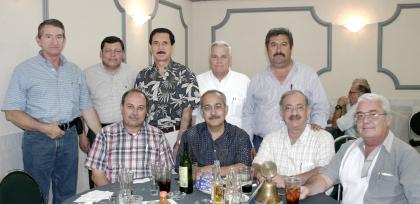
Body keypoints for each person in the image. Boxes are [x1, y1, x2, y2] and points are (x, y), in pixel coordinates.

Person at [1, 19, 101, 204]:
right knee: (38, 193)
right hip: (38, 140)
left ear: (64, 40)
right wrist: (45, 128)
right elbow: (11, 112)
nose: (54, 41)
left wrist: (103, 137)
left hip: (70, 137)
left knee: (67, 193)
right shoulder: (24, 70)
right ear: (39, 40)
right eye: (48, 36)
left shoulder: (74, 70)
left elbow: (86, 107)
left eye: (59, 36)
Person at [301, 93, 420, 203]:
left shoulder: (407, 156)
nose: (365, 120)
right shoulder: (347, 149)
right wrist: (307, 189)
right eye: (360, 115)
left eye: (373, 114)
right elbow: (325, 179)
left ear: (388, 119)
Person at [242, 27, 330, 152]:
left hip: (301, 144)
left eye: (283, 44)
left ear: (290, 48)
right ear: (267, 49)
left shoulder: (308, 74)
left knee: (302, 173)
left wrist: (317, 126)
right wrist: (248, 143)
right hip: (263, 145)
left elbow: (321, 105)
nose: (278, 50)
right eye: (273, 45)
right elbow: (248, 113)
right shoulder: (257, 78)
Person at [85, 89, 174, 186]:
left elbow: (166, 172)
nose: (135, 112)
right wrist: (116, 196)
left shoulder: (158, 136)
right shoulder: (105, 134)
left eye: (140, 108)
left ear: (146, 112)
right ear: (122, 108)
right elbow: (97, 175)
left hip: (149, 196)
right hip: (115, 196)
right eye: (130, 106)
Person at [134, 28, 200, 156]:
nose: (160, 47)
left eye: (165, 43)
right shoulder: (142, 75)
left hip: (175, 135)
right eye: (156, 43)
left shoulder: (185, 73)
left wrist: (180, 141)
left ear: (172, 46)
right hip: (148, 137)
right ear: (150, 47)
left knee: (178, 175)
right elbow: (138, 109)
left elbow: (188, 111)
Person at [84, 36, 138, 188]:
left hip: (127, 131)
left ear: (123, 54)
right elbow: (82, 107)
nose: (112, 55)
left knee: (124, 171)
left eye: (117, 51)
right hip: (97, 131)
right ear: (101, 53)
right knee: (97, 174)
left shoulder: (134, 73)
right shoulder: (87, 74)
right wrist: (82, 135)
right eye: (108, 51)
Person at [252, 90, 334, 187]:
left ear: (308, 112)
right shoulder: (271, 139)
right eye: (288, 108)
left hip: (313, 196)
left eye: (299, 107)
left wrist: (288, 181)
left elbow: (324, 170)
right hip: (277, 197)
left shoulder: (323, 138)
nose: (294, 112)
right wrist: (261, 175)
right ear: (281, 114)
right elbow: (256, 165)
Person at [176, 90, 252, 178]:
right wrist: (229, 169)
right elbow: (181, 168)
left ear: (226, 110)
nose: (213, 113)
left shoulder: (240, 136)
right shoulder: (190, 135)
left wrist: (209, 170)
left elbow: (244, 167)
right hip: (197, 189)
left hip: (231, 189)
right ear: (202, 113)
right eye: (207, 108)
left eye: (218, 107)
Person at [194, 41, 250, 128]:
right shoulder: (197, 82)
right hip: (204, 139)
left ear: (230, 59)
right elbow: (194, 115)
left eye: (223, 57)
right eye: (214, 57)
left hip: (236, 140)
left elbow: (250, 115)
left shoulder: (244, 81)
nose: (219, 61)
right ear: (209, 59)